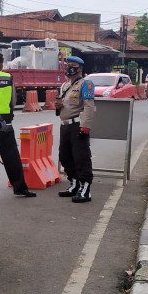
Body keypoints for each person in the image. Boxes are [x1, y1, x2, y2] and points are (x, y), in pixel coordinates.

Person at [55, 56, 95, 203]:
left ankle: (85, 189)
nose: (69, 67)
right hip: (65, 125)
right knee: (64, 156)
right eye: (67, 65)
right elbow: (63, 105)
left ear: (80, 68)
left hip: (78, 124)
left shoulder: (86, 84)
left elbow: (89, 106)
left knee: (81, 157)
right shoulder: (65, 86)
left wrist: (85, 126)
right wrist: (58, 106)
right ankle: (74, 183)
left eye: (73, 65)